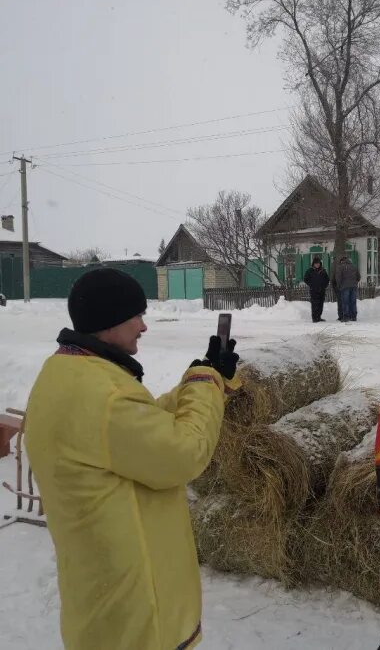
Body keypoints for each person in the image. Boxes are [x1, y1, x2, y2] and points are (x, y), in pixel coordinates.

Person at [24, 268, 240, 650]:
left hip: (99, 593)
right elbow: (183, 453)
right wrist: (206, 385)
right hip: (136, 611)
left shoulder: (66, 373)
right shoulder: (105, 396)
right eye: (136, 316)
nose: (144, 326)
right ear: (109, 321)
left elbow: (135, 430)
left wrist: (199, 378)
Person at [303, 255, 330, 322]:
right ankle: (315, 318)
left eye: (318, 263)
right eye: (316, 263)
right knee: (315, 304)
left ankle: (319, 317)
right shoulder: (310, 271)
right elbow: (305, 279)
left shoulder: (323, 271)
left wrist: (324, 286)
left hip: (322, 290)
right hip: (314, 290)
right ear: (313, 264)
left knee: (320, 304)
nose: (317, 264)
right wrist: (311, 285)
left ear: (320, 264)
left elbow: (327, 279)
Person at [334, 255, 361, 322]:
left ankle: (346, 317)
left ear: (342, 261)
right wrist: (354, 282)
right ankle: (353, 317)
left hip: (344, 287)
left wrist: (339, 285)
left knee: (345, 302)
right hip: (354, 287)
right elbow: (358, 277)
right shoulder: (354, 266)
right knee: (353, 302)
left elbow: (338, 278)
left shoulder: (340, 267)